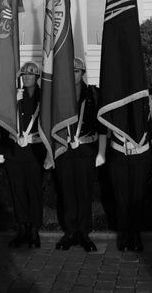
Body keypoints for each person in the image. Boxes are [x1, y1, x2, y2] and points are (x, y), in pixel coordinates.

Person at [53, 56, 103, 252]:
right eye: (70, 71)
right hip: (64, 149)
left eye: (76, 71)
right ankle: (70, 232)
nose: (73, 74)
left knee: (84, 192)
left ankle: (84, 233)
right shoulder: (58, 94)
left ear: (82, 73)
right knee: (66, 192)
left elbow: (100, 124)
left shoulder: (93, 93)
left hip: (85, 149)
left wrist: (101, 152)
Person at [103, 88, 152, 252]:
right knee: (121, 198)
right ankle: (123, 235)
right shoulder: (113, 100)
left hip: (140, 156)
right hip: (118, 155)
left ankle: (136, 236)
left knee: (137, 198)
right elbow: (103, 128)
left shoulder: (147, 100)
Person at [2, 60, 46, 249]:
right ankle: (22, 229)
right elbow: (3, 123)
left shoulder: (44, 96)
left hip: (35, 151)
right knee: (17, 192)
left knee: (34, 192)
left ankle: (34, 230)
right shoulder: (13, 96)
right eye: (24, 75)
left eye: (31, 74)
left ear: (37, 77)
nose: (27, 77)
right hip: (15, 152)